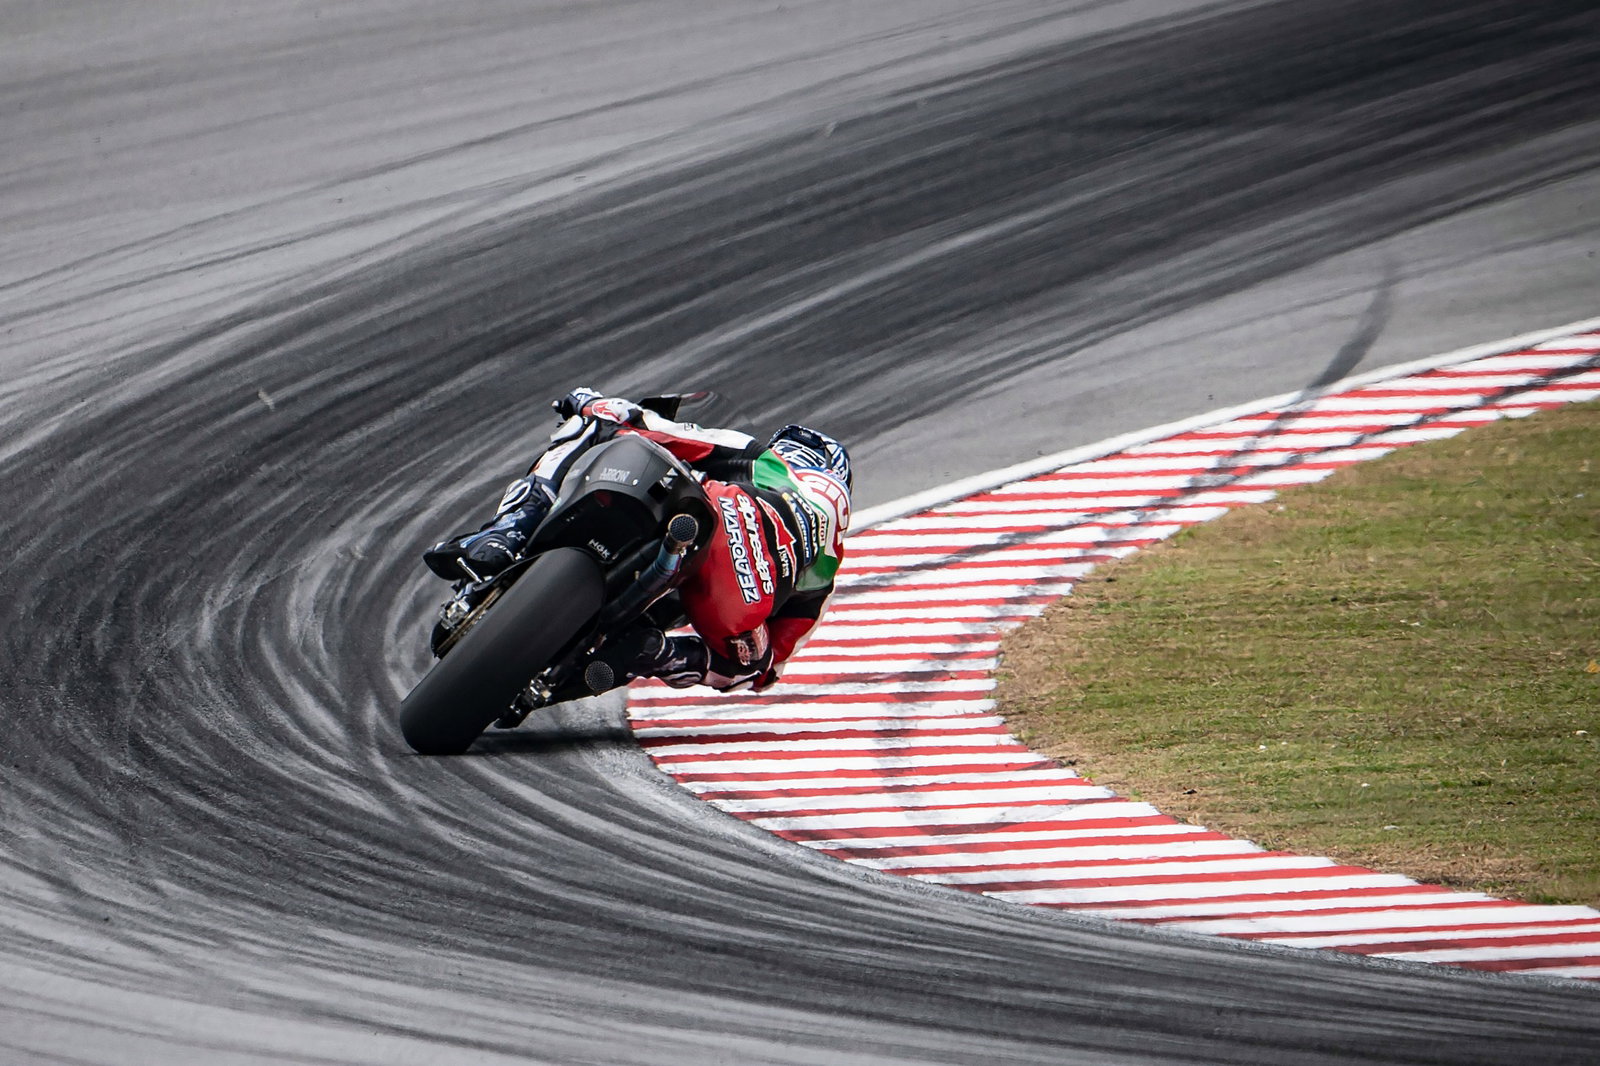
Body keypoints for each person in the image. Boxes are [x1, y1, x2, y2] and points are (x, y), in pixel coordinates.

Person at [423, 388, 851, 694]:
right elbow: (768, 672)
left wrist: (594, 404)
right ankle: (649, 653)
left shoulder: (769, 464)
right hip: (731, 600)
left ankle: (512, 527)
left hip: (711, 520)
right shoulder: (827, 561)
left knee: (599, 425)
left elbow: (662, 431)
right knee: (747, 666)